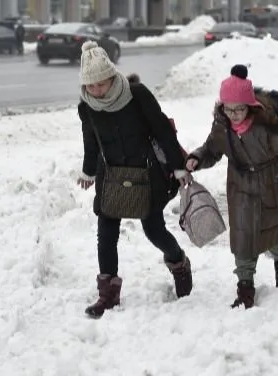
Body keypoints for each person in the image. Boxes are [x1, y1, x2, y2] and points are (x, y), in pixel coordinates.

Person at [77, 41, 193, 319]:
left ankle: (178, 262)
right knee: (106, 234)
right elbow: (90, 142)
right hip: (112, 176)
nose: (97, 91)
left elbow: (163, 130)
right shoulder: (87, 106)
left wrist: (178, 167)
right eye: (91, 86)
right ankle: (108, 294)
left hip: (146, 173)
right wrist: (89, 170)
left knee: (153, 230)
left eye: (101, 84)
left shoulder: (136, 95)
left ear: (111, 76)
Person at [185, 65, 278, 309]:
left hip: (271, 185)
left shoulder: (265, 127)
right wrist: (197, 157)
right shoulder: (222, 127)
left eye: (239, 109)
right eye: (229, 109)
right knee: (242, 239)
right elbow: (211, 149)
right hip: (240, 189)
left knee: (276, 236)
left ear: (250, 106)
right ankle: (245, 289)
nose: (234, 114)